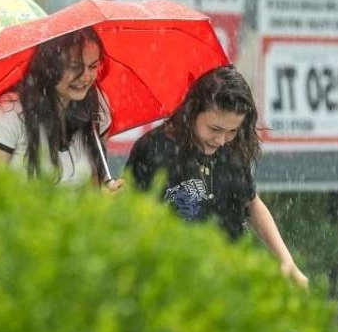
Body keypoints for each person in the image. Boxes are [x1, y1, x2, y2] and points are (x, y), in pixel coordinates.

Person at [125, 65, 308, 288]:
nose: (221, 141)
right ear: (192, 111)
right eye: (214, 129)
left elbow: (251, 203)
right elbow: (131, 219)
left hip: (230, 278)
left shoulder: (231, 151)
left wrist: (287, 261)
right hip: (173, 283)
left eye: (232, 131)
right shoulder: (153, 149)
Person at [0, 27, 122, 190]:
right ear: (49, 66)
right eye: (74, 66)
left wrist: (105, 197)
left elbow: (92, 188)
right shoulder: (8, 114)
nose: (86, 77)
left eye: (93, 66)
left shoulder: (97, 107)